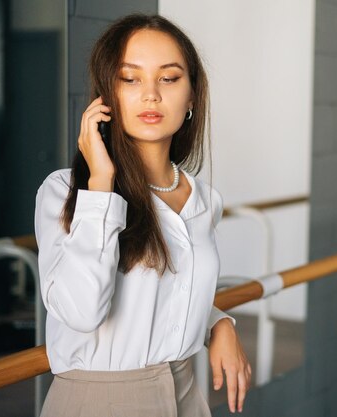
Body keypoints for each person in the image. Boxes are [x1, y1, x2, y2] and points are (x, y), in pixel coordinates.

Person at [34, 13, 251, 416]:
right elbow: (80, 312)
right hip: (101, 401)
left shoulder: (204, 199)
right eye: (129, 79)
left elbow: (168, 292)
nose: (150, 94)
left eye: (168, 79)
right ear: (106, 96)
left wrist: (218, 322)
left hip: (186, 393)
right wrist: (100, 183)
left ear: (191, 97)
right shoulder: (64, 192)